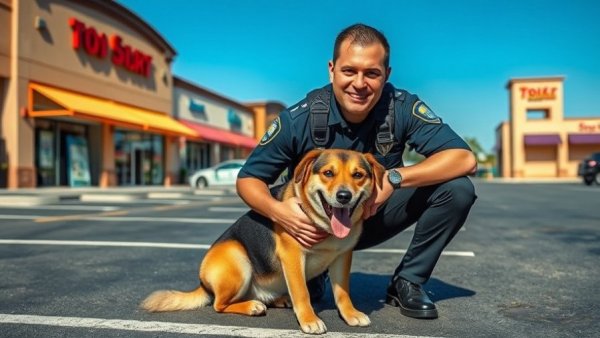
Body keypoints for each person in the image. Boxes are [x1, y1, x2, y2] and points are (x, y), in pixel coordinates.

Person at [236, 23, 477, 319]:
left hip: (372, 214)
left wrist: (394, 177)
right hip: (310, 229)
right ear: (332, 69)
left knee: (457, 189)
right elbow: (249, 179)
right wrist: (280, 212)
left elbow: (463, 158)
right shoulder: (299, 118)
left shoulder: (401, 108)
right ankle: (318, 272)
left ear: (386, 75)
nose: (359, 83)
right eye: (349, 71)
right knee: (310, 294)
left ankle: (408, 281)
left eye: (372, 73)